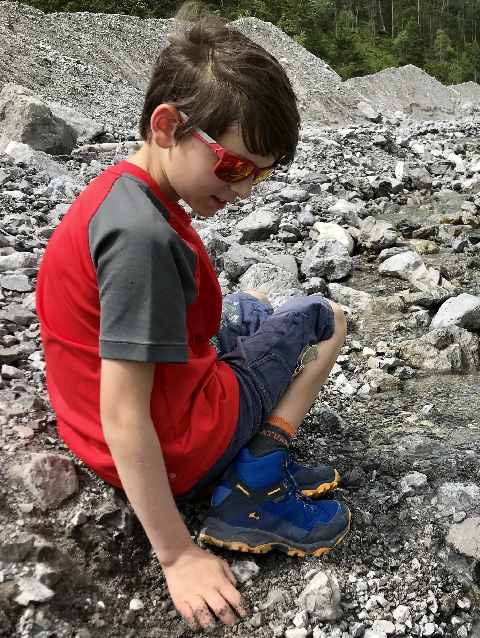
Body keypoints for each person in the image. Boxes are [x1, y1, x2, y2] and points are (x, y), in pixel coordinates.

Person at [34, 16, 351, 630]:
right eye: (234, 168)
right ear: (167, 125)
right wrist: (177, 555)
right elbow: (126, 415)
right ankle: (256, 478)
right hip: (178, 441)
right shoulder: (143, 242)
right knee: (325, 318)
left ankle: (247, 423)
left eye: (261, 174)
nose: (246, 190)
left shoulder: (123, 194)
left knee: (254, 304)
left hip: (111, 412)